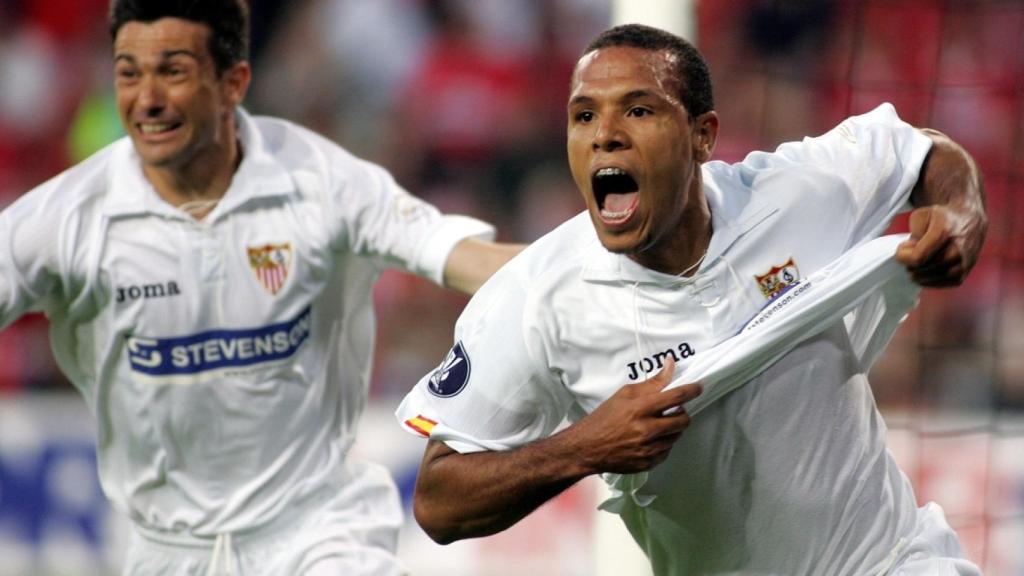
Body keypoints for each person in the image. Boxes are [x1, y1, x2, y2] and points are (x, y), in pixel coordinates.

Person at [396, 23, 987, 575]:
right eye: (584, 116)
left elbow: (922, 152)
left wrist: (960, 213)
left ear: (703, 136)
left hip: (888, 561)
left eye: (638, 109)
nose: (605, 135)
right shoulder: (535, 298)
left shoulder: (792, 194)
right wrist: (586, 447)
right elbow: (439, 502)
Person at [0, 1, 521, 574]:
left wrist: (604, 265)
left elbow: (462, 257)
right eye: (128, 72)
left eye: (172, 72)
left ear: (232, 83)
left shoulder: (318, 179)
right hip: (166, 551)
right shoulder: (68, 216)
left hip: (320, 535)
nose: (146, 99)